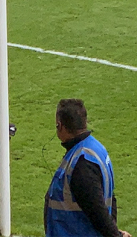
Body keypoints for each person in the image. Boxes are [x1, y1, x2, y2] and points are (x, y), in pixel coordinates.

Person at [44, 99, 131, 237]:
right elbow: (109, 198)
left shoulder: (82, 163)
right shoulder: (95, 148)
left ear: (60, 126)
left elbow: (98, 212)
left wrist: (115, 235)